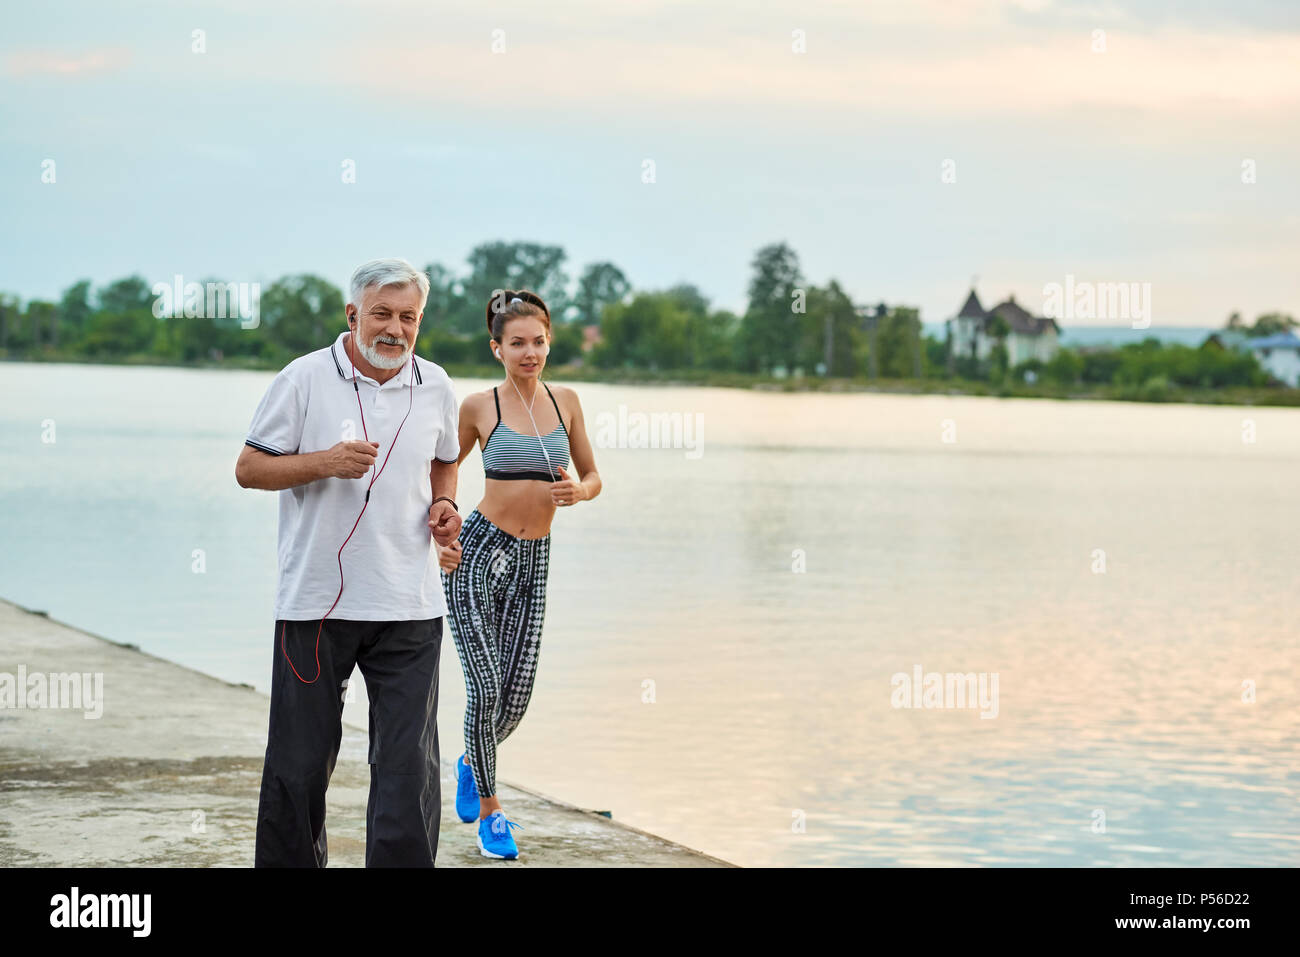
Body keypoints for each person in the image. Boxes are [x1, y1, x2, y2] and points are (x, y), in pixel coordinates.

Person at [235, 258, 463, 867]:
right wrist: (325, 462)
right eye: (382, 313)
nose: (394, 328)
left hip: (409, 605)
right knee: (300, 764)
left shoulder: (437, 383)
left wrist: (444, 501)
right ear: (353, 314)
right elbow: (250, 469)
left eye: (408, 317)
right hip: (314, 604)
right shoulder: (303, 378)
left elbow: (446, 457)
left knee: (408, 769)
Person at [436, 288, 602, 860]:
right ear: (497, 349)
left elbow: (594, 476)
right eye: (516, 344)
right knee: (484, 688)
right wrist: (443, 528)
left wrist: (579, 491)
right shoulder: (479, 408)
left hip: (535, 560)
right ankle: (492, 813)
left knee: (515, 698)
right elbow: (443, 471)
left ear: (548, 343)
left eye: (537, 341)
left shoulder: (568, 402)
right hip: (480, 554)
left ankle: (467, 760)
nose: (529, 352)